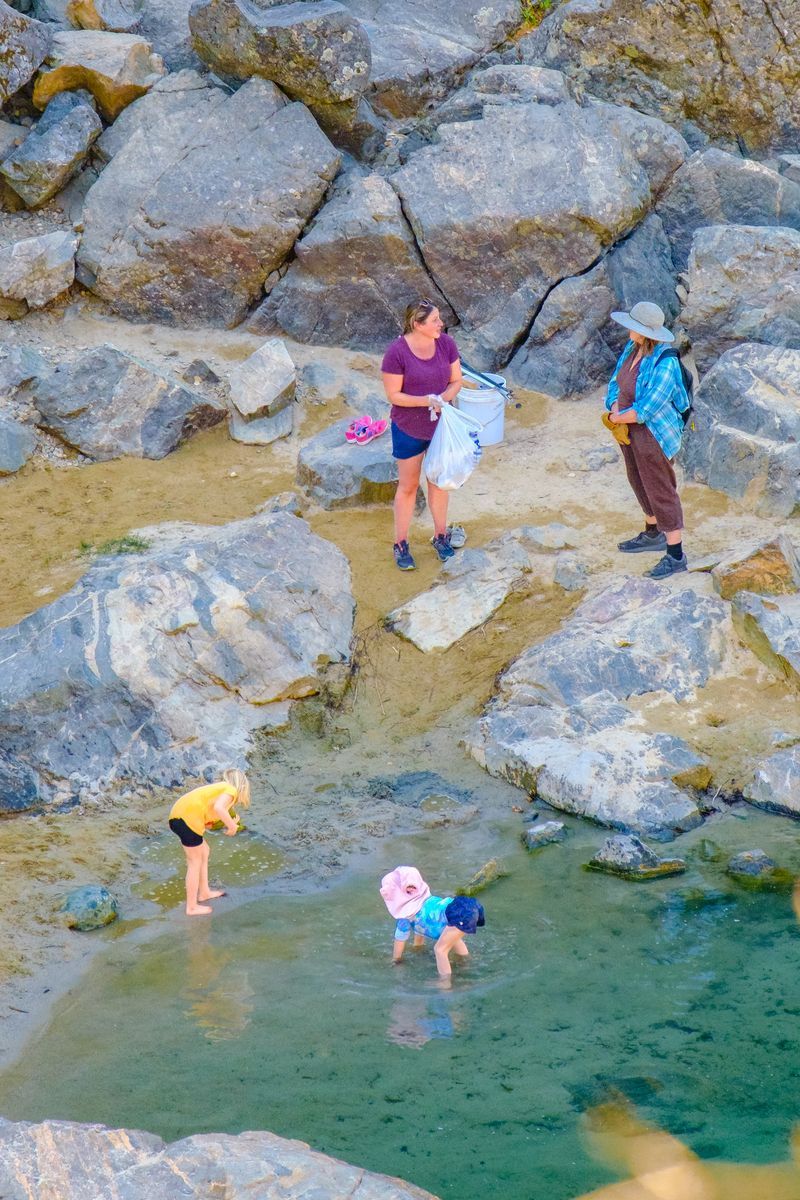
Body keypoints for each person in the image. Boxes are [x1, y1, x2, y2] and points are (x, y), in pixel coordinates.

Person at [604, 301, 691, 579]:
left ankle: (676, 555)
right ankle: (653, 533)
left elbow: (647, 409)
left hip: (653, 434)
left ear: (644, 332)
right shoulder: (633, 349)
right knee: (638, 480)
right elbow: (616, 383)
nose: (628, 328)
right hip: (630, 431)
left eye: (633, 325)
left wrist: (618, 417)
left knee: (660, 488)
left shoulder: (666, 363)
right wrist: (612, 406)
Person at [381, 299, 464, 570]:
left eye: (439, 319)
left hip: (441, 428)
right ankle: (401, 543)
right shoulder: (397, 353)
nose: (441, 324)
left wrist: (443, 399)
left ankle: (441, 536)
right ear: (417, 325)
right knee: (408, 486)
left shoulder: (446, 344)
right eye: (435, 320)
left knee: (439, 482)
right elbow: (394, 395)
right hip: (408, 427)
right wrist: (427, 401)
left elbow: (456, 380)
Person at [168, 769, 250, 916]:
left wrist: (226, 822)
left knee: (204, 851)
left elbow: (208, 823)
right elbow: (220, 808)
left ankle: (204, 892)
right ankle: (191, 907)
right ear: (242, 785)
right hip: (185, 819)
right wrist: (231, 826)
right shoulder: (230, 789)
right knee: (194, 861)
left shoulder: (215, 793)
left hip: (180, 817)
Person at [379, 865, 485, 978]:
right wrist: (418, 946)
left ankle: (445, 983)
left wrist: (396, 959)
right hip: (466, 907)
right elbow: (419, 929)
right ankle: (465, 962)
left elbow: (400, 938)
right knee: (452, 938)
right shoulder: (424, 903)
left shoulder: (406, 916)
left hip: (458, 914)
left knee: (440, 950)